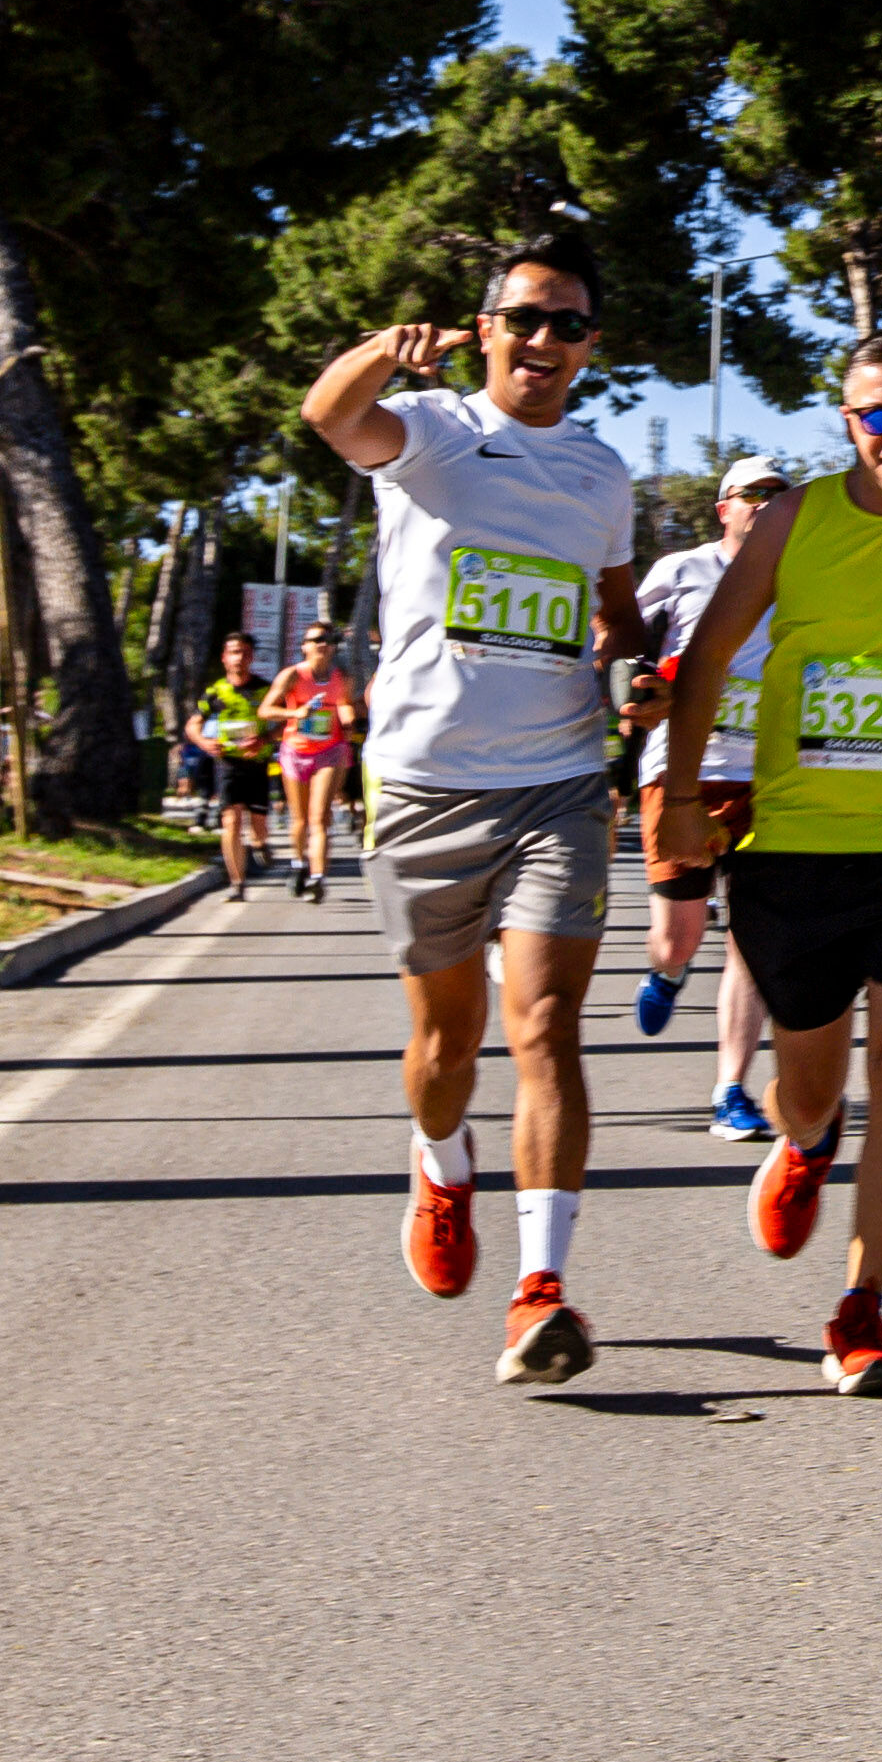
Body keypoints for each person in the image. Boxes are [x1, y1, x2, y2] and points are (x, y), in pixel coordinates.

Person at [641, 338, 882, 1396]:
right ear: (845, 419)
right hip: (797, 847)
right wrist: (679, 796)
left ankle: (862, 1307)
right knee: (808, 1089)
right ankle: (805, 1144)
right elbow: (708, 657)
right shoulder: (793, 517)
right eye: (877, 414)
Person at [300, 249, 655, 1389]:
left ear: (591, 345)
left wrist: (639, 657)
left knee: (546, 1028)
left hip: (556, 780)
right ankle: (440, 1159)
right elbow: (326, 414)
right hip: (422, 784)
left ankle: (542, 1289)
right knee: (447, 1049)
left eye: (570, 325)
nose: (545, 341)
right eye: (526, 320)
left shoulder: (603, 474)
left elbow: (611, 607)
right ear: (487, 327)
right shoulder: (430, 429)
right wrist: (385, 353)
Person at [632, 458, 784, 1136]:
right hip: (682, 770)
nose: (764, 505)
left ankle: (731, 1088)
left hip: (769, 775)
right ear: (724, 507)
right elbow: (623, 643)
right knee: (678, 935)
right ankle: (666, 972)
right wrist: (636, 685)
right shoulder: (681, 570)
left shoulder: (805, 579)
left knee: (751, 940)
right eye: (753, 494)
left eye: (778, 496)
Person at [263, 618, 365, 900]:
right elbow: (265, 710)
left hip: (329, 751)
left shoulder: (341, 678)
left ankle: (318, 877)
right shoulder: (292, 676)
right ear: (304, 646)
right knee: (300, 819)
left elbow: (344, 702)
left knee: (320, 817)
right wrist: (294, 714)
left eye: (328, 641)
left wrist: (347, 719)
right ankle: (298, 864)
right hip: (296, 751)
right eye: (316, 639)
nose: (323, 644)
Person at [190, 631, 273, 901]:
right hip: (227, 763)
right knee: (231, 820)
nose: (239, 658)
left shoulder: (265, 689)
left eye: (245, 653)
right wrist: (204, 743)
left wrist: (264, 739)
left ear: (251, 658)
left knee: (258, 827)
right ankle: (237, 883)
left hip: (257, 763)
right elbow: (193, 725)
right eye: (234, 652)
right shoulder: (215, 692)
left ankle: (261, 844)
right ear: (225, 658)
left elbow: (286, 721)